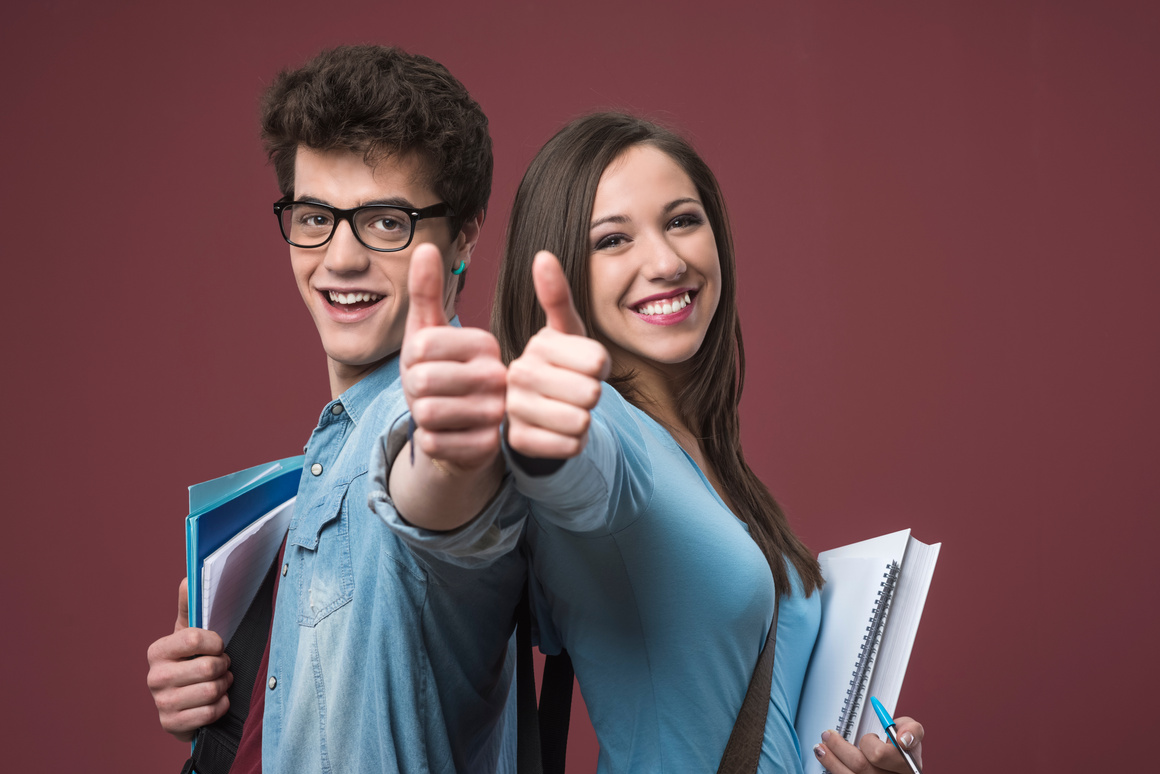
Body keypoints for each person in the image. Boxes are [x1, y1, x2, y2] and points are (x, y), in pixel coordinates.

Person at [490, 112, 927, 773]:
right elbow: (573, 474)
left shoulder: (708, 459)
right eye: (612, 239)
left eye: (682, 220)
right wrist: (541, 430)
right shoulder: (607, 429)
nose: (667, 261)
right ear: (556, 269)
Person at [145, 45, 525, 773]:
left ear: (465, 235)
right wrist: (218, 695)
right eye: (316, 215)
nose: (340, 259)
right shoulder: (321, 464)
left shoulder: (425, 423)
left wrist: (461, 441)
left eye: (385, 222)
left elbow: (444, 489)